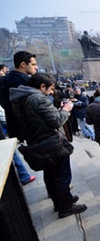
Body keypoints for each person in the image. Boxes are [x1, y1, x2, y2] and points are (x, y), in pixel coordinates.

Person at [10, 72, 86, 218]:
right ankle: (66, 206)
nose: (51, 92)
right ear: (42, 86)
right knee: (61, 176)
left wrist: (56, 111)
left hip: (38, 142)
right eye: (50, 89)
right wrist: (66, 110)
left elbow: (41, 119)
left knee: (51, 175)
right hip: (51, 144)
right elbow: (57, 122)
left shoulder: (21, 98)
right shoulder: (39, 99)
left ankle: (61, 200)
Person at [0, 51, 37, 185]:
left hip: (15, 125)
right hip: (30, 126)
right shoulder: (25, 81)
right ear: (23, 64)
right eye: (33, 64)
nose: (36, 68)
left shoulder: (5, 80)